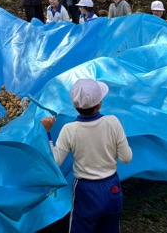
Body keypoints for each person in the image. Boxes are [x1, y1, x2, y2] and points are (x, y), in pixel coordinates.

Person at [39, 79, 132, 233]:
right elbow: (126, 158)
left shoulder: (69, 129)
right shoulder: (113, 122)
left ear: (75, 106)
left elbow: (55, 162)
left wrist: (47, 132)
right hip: (112, 188)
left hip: (86, 191)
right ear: (99, 104)